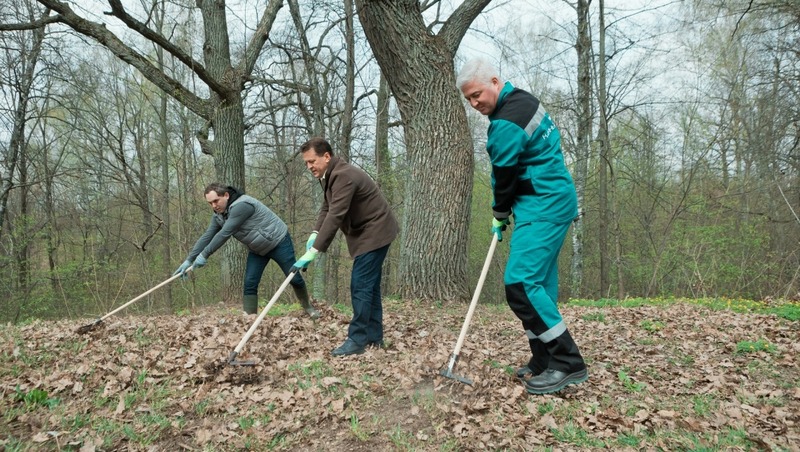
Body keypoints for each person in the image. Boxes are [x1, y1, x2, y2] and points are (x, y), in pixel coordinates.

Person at [456, 58, 588, 394]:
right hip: (549, 199)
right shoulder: (524, 100)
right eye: (468, 99)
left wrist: (499, 212)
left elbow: (504, 175)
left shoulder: (506, 122)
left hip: (543, 204)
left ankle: (567, 363)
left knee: (520, 283)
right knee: (539, 285)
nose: (474, 104)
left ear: (495, 81)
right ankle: (543, 359)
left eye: (477, 95)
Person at [293, 138, 398, 356]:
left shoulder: (343, 176)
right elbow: (327, 206)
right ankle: (374, 337)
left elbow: (336, 215)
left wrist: (315, 250)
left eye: (312, 161)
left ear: (327, 157)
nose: (309, 166)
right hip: (366, 233)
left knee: (360, 285)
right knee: (369, 287)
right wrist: (314, 233)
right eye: (306, 163)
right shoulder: (330, 176)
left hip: (375, 232)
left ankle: (357, 340)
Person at [173, 183, 320, 319]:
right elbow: (207, 236)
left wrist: (204, 255)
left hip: (278, 242)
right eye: (210, 203)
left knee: (293, 277)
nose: (214, 206)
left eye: (216, 201)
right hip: (257, 249)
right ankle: (250, 319)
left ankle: (308, 307)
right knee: (250, 283)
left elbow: (225, 233)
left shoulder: (242, 205)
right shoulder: (218, 216)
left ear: (226, 195)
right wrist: (189, 259)